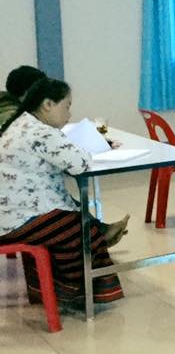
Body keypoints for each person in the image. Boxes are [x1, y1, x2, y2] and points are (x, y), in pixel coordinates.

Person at [0, 77, 128, 306]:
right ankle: (72, 291)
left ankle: (48, 286)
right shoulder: (41, 132)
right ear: (47, 104)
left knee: (74, 209)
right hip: (15, 220)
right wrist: (82, 148)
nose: (69, 114)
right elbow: (80, 164)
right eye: (66, 106)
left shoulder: (22, 123)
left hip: (10, 213)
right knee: (81, 228)